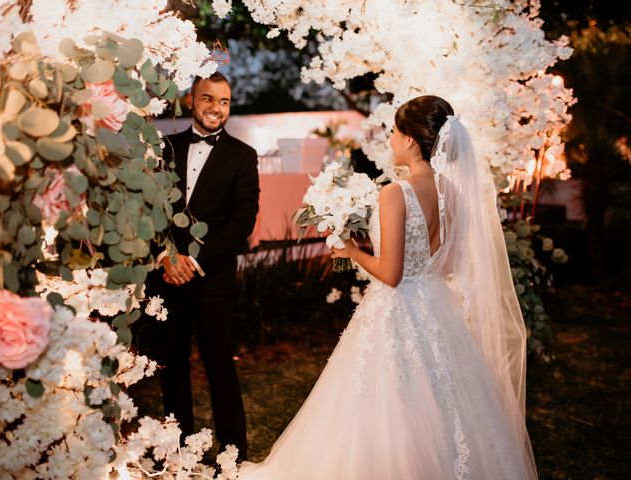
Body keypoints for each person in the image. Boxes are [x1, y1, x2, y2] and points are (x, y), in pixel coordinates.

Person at [239, 96, 537, 479]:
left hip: (397, 308)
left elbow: (391, 273)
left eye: (394, 132)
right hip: (434, 304)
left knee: (389, 403)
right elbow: (445, 261)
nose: (391, 140)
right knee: (444, 401)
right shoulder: (451, 192)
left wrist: (350, 250)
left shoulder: (395, 193)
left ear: (412, 140)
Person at [142, 72, 259, 461]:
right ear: (192, 101)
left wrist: (193, 260)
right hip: (166, 277)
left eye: (224, 101)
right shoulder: (164, 147)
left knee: (219, 366)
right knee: (171, 366)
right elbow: (150, 209)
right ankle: (177, 451)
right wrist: (165, 257)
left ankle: (232, 454)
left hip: (213, 279)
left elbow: (242, 222)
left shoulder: (243, 156)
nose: (216, 108)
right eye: (208, 99)